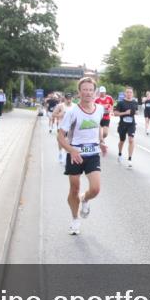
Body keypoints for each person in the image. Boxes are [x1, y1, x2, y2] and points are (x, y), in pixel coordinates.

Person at [57, 77, 109, 235]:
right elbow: (60, 136)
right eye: (84, 90)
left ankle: (85, 199)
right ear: (79, 92)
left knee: (95, 189)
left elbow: (98, 126)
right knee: (74, 188)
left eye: (90, 90)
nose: (87, 92)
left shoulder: (99, 109)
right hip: (75, 154)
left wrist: (101, 141)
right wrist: (71, 150)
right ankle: (75, 219)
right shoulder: (72, 112)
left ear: (94, 92)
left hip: (93, 153)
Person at [114, 86, 139, 168]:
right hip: (122, 124)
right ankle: (120, 154)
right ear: (125, 93)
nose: (129, 94)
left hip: (131, 124)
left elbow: (136, 111)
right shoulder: (121, 102)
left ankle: (129, 159)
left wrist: (136, 113)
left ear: (132, 94)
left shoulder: (135, 102)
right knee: (122, 141)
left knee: (131, 140)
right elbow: (115, 113)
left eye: (130, 92)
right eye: (127, 92)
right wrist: (125, 113)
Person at [52, 94, 74, 163]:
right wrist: (60, 115)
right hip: (62, 126)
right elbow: (53, 114)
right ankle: (60, 153)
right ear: (64, 99)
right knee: (61, 141)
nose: (69, 100)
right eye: (67, 98)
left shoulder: (74, 106)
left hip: (71, 127)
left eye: (70, 98)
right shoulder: (60, 106)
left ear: (72, 99)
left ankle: (66, 156)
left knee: (68, 142)